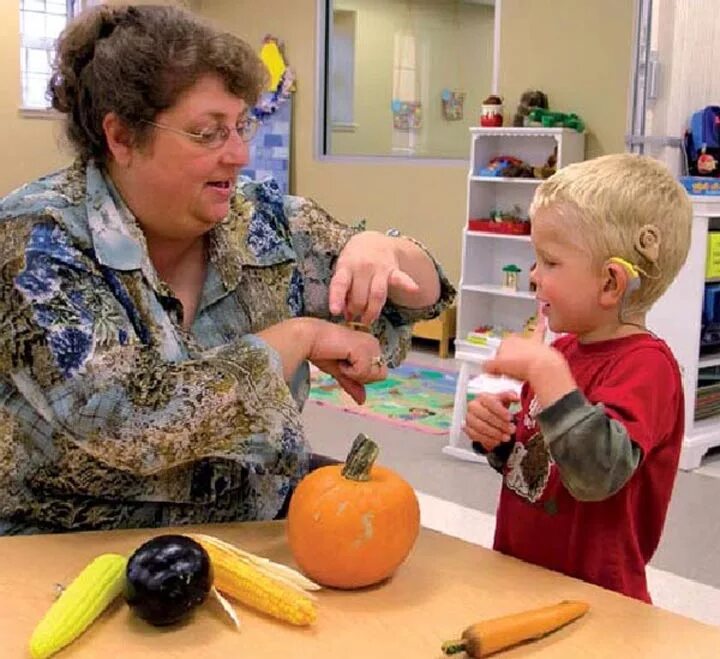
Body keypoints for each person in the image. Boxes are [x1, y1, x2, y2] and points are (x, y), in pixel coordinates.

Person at [0, 4, 454, 534]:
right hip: (70, 550)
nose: (239, 154)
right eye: (208, 133)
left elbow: (419, 297)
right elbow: (130, 422)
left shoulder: (263, 222)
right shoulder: (36, 237)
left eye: (241, 127)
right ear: (121, 137)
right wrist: (299, 338)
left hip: (253, 535)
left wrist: (384, 251)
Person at [464, 153, 691, 603]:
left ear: (610, 284)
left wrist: (546, 373)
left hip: (594, 601)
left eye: (549, 262)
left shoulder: (649, 368)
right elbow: (543, 466)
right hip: (524, 578)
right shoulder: (562, 353)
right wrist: (500, 443)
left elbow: (595, 475)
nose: (533, 276)